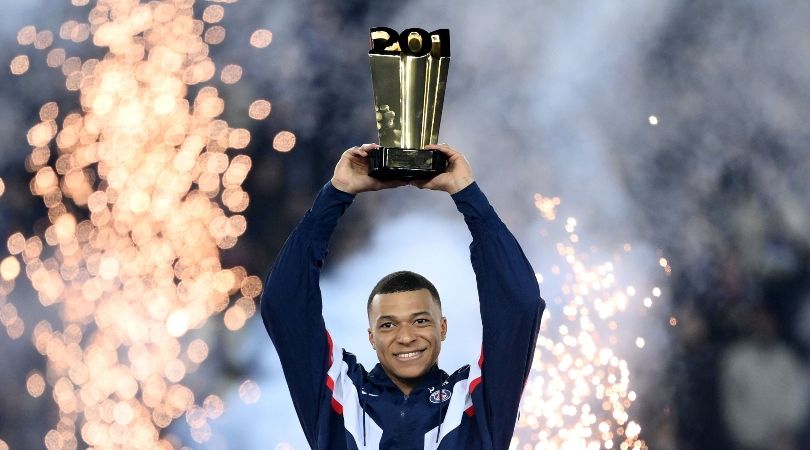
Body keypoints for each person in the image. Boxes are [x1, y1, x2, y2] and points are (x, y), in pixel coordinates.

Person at [261, 143, 545, 450]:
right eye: (388, 325)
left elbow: (520, 306)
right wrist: (337, 193)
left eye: (420, 320)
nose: (406, 337)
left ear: (443, 328)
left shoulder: (478, 400)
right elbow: (284, 304)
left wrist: (469, 196)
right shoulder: (340, 394)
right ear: (371, 336)